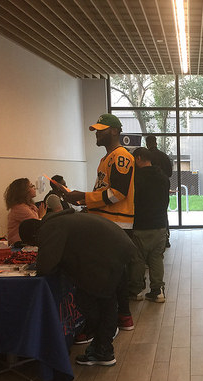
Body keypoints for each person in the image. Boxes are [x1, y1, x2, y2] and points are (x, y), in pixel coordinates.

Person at [20, 211, 138, 366]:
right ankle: (103, 348)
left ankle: (103, 348)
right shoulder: (62, 219)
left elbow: (45, 266)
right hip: (118, 248)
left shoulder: (50, 227)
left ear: (34, 236)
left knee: (91, 300)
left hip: (108, 256)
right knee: (106, 300)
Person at [60, 113, 139, 331]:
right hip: (105, 222)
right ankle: (120, 317)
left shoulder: (121, 156)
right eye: (96, 129)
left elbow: (118, 194)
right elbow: (105, 193)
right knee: (113, 274)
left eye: (101, 129)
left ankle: (116, 319)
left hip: (117, 224)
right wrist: (86, 203)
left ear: (114, 131)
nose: (97, 133)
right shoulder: (106, 159)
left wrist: (84, 197)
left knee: (111, 275)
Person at [130, 147, 170, 303]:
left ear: (139, 158)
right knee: (156, 258)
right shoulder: (163, 177)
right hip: (160, 223)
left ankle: (137, 290)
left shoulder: (136, 177)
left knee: (138, 259)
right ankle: (158, 291)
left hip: (140, 223)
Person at [145, 135, 172, 248]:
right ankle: (165, 239)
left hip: (147, 190)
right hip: (162, 189)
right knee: (163, 213)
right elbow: (170, 173)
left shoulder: (146, 156)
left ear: (147, 143)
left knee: (148, 213)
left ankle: (150, 239)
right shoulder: (163, 156)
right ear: (156, 142)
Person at [4, 178, 46, 246]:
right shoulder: (20, 208)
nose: (34, 188)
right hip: (19, 245)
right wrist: (41, 216)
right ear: (24, 191)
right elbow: (35, 227)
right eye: (31, 186)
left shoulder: (30, 206)